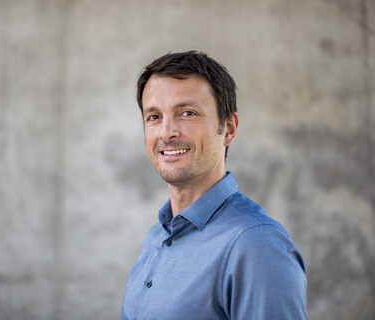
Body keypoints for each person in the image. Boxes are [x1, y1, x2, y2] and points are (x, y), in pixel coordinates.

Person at [121, 51, 307, 320]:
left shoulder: (256, 244)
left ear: (229, 128)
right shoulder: (157, 236)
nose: (166, 132)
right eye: (154, 117)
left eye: (187, 113)